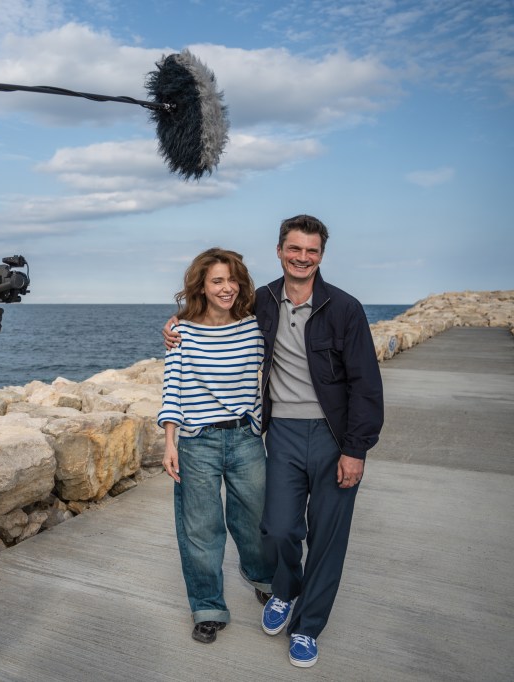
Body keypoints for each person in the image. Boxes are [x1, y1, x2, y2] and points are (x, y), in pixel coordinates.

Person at [163, 215, 384, 667]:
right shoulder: (262, 301)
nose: (302, 257)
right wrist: (175, 325)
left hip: (333, 437)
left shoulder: (344, 308)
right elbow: (213, 317)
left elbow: (366, 385)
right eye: (294, 249)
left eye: (312, 250)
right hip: (280, 432)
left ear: (321, 255)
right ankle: (283, 589)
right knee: (278, 528)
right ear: (280, 251)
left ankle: (307, 628)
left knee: (326, 538)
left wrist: (355, 449)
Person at [157, 248, 274, 645]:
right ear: (202, 287)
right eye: (217, 281)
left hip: (245, 439)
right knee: (201, 530)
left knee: (256, 521)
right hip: (197, 443)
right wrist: (170, 442)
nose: (227, 288)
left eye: (232, 279)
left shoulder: (254, 327)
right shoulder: (183, 333)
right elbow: (173, 388)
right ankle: (207, 607)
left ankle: (262, 578)